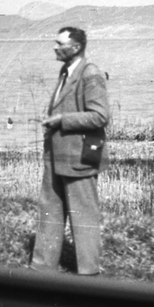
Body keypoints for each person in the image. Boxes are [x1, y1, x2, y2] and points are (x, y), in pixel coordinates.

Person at [35, 26, 111, 275]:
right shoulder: (66, 71)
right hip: (57, 156)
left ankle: (88, 274)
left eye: (60, 43)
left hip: (79, 157)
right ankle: (42, 268)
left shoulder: (90, 74)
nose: (55, 47)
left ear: (76, 47)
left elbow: (99, 116)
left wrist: (61, 120)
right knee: (50, 210)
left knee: (83, 217)